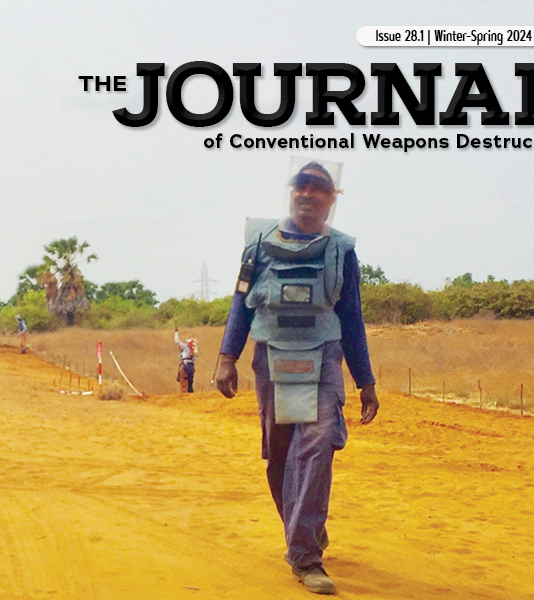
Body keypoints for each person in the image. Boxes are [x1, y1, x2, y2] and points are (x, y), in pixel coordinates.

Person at [215, 159, 379, 595]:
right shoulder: (259, 244)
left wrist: (366, 381)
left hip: (323, 358)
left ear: (331, 198)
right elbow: (241, 300)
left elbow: (352, 317)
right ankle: (302, 531)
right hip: (271, 358)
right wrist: (226, 356)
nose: (308, 194)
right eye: (301, 186)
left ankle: (306, 557)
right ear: (291, 192)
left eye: (318, 188)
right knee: (281, 456)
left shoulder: (342, 250)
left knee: (318, 444)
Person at [174, 326, 198, 393]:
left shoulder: (185, 347)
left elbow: (177, 341)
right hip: (192, 366)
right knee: (190, 382)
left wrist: (176, 332)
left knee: (183, 381)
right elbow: (194, 359)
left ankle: (184, 396)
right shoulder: (193, 351)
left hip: (185, 365)